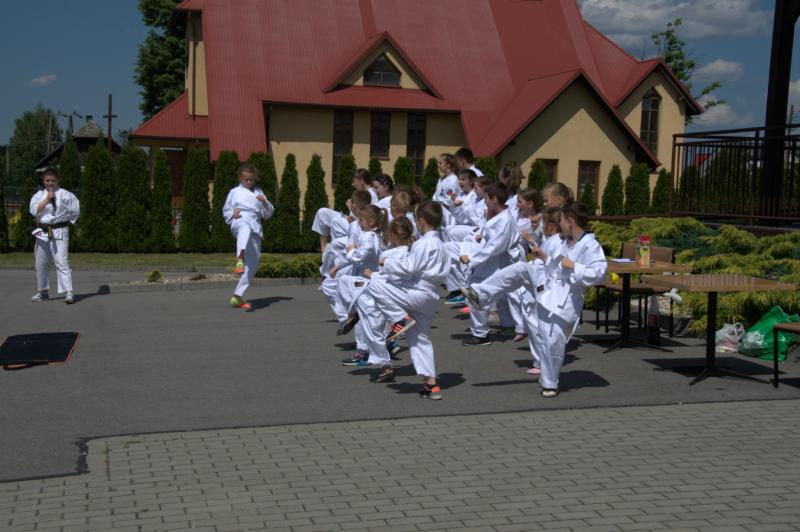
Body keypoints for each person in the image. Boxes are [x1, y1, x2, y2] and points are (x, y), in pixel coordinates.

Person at [357, 201, 450, 399]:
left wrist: (387, 262)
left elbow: (409, 269)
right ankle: (431, 385)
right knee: (420, 338)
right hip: (431, 296)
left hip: (418, 292)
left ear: (421, 221)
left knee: (375, 283)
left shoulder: (423, 243)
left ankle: (400, 317)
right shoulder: (442, 244)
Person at [530, 202, 607, 397]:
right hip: (551, 292)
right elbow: (558, 267)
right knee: (547, 337)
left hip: (569, 299)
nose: (560, 224)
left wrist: (574, 266)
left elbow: (598, 273)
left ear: (570, 222)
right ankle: (549, 382)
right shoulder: (565, 242)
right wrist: (545, 257)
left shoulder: (590, 245)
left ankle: (550, 382)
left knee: (553, 339)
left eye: (562, 220)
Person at [457, 182, 518, 346]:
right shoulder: (498, 216)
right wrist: (481, 236)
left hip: (498, 264)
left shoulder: (505, 220)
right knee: (501, 296)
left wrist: (472, 260)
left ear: (494, 199)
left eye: (486, 199)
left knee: (476, 293)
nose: (484, 202)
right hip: (491, 264)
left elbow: (495, 246)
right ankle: (508, 325)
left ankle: (480, 335)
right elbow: (489, 238)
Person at [223, 164, 275, 309]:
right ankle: (240, 258)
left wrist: (264, 201)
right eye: (246, 179)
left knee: (253, 263)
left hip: (255, 226)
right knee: (244, 227)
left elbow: (268, 214)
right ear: (240, 178)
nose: (249, 182)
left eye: (251, 179)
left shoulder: (259, 192)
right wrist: (232, 214)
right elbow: (226, 210)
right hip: (240, 220)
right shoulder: (234, 192)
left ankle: (237, 296)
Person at [30, 168, 80, 304]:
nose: (50, 183)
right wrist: (47, 199)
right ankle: (43, 291)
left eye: (53, 180)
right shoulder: (39, 195)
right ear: (43, 181)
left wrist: (66, 220)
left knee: (61, 261)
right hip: (43, 231)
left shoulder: (65, 194)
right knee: (41, 262)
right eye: (47, 180)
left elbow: (75, 211)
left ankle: (68, 292)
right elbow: (34, 210)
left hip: (59, 230)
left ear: (58, 180)